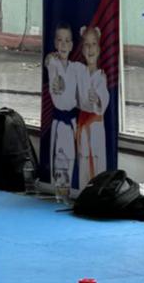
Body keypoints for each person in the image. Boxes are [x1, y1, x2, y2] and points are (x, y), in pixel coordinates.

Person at [75, 25, 111, 184]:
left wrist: (97, 99)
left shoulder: (101, 76)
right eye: (87, 45)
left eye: (94, 44)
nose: (90, 49)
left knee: (97, 160)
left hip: (96, 127)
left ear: (99, 48)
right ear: (82, 49)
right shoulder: (78, 72)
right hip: (82, 125)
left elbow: (104, 99)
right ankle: (83, 191)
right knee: (83, 160)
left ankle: (97, 192)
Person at [44, 23, 79, 187]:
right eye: (60, 40)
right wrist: (49, 58)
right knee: (59, 159)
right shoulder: (53, 63)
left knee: (72, 158)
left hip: (72, 122)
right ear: (55, 43)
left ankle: (70, 190)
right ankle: (59, 190)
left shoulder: (75, 68)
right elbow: (48, 62)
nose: (63, 45)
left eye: (67, 41)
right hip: (59, 121)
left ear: (71, 45)